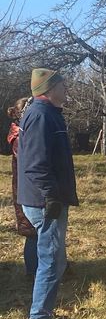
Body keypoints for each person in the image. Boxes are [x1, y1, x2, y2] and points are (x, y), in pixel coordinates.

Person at [17, 69, 78, 319]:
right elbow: (36, 164)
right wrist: (51, 195)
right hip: (44, 201)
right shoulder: (41, 116)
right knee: (51, 258)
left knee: (54, 257)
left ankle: (42, 313)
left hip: (47, 198)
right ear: (48, 89)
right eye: (62, 85)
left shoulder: (48, 114)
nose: (66, 90)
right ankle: (40, 318)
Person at [7, 97, 38, 281]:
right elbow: (29, 163)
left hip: (26, 188)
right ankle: (32, 270)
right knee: (32, 231)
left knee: (34, 230)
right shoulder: (20, 137)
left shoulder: (20, 133)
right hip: (27, 189)